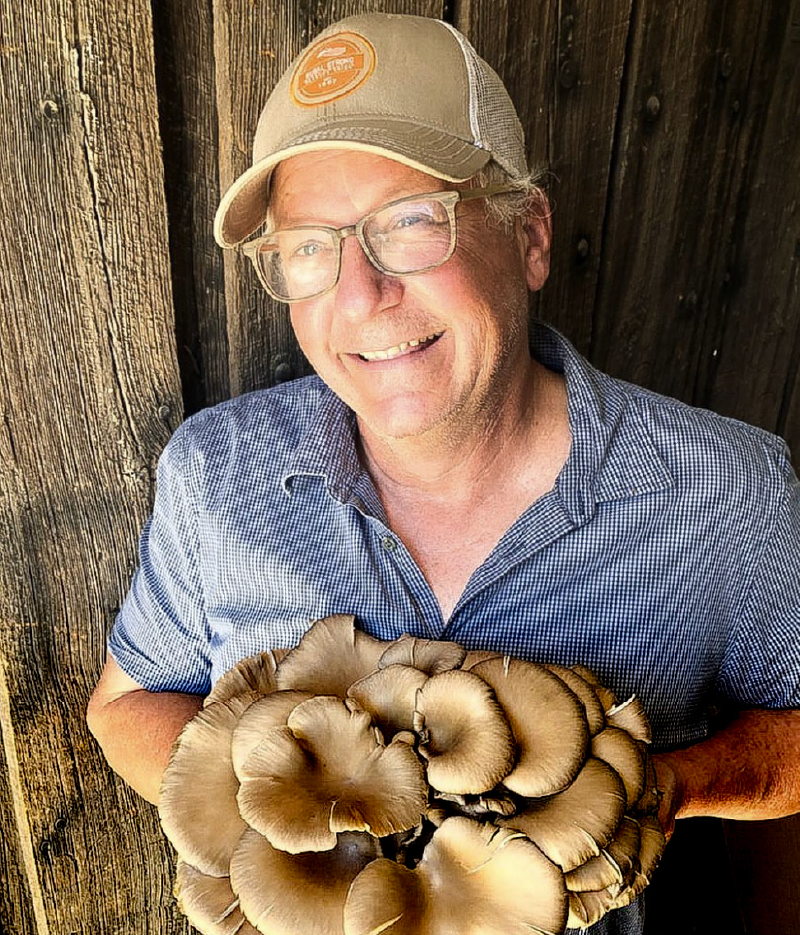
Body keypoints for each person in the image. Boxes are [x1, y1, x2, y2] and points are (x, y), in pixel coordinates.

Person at [87, 12, 800, 934]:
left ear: (531, 235)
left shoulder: (727, 493)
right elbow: (125, 702)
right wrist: (276, 809)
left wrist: (663, 784)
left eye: (410, 222)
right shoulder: (216, 475)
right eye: (310, 247)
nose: (359, 295)